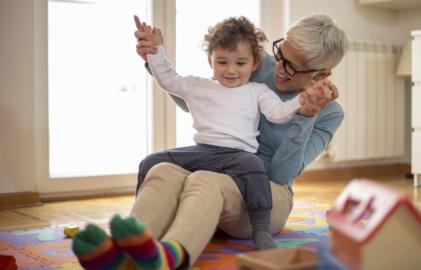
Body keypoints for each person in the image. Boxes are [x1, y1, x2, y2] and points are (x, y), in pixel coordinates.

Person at [71, 14, 347, 270]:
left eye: (291, 67)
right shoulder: (254, 62)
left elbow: (281, 173)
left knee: (205, 179)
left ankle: (172, 257)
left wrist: (306, 115)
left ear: (321, 75)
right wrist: (152, 59)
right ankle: (125, 253)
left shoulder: (330, 113)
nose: (278, 67)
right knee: (162, 170)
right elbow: (201, 100)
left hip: (265, 192)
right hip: (216, 163)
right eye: (280, 53)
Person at [138, 16, 315, 250]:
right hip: (203, 152)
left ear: (254, 63)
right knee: (151, 161)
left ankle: (261, 230)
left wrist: (302, 101)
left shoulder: (257, 91)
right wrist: (156, 50)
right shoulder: (198, 85)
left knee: (256, 168)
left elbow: (279, 113)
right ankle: (140, 227)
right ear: (210, 60)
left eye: (240, 63)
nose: (231, 70)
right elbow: (168, 79)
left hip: (238, 156)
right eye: (222, 62)